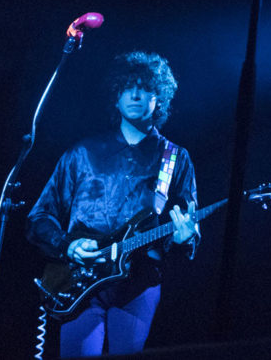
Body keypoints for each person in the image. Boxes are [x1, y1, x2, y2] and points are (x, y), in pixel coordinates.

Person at [27, 51, 199, 356]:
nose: (135, 93)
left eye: (145, 87)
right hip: (79, 279)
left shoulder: (175, 157)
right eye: (127, 87)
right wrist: (67, 246)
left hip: (139, 283)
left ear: (158, 99)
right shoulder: (82, 153)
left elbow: (185, 223)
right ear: (116, 97)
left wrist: (185, 238)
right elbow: (40, 215)